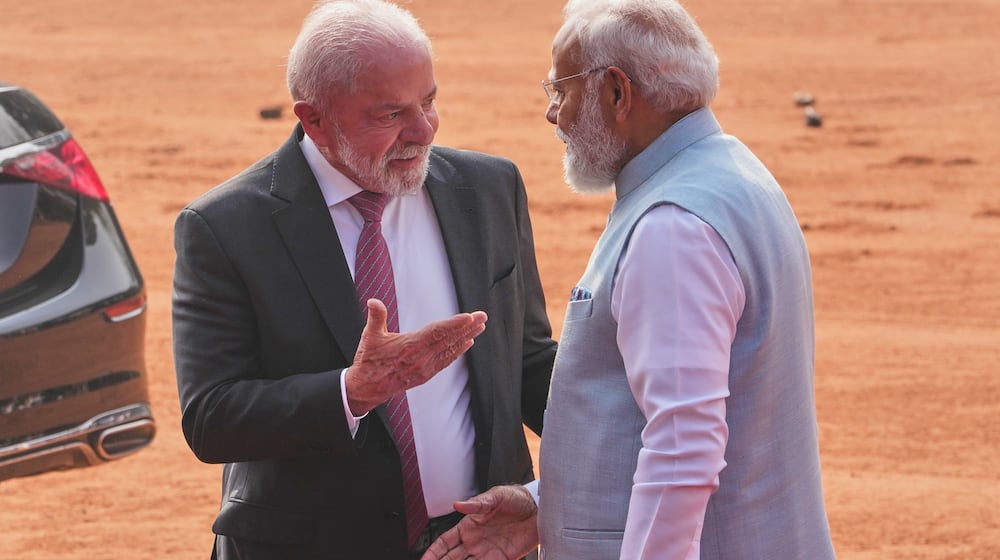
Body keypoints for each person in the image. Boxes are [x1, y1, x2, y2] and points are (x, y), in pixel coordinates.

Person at [423, 0, 837, 559]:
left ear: (617, 93)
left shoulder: (673, 227)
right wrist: (554, 506)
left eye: (560, 92)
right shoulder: (731, 175)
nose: (554, 115)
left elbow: (682, 448)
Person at [171, 1, 557, 558]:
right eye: (390, 114)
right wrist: (352, 393)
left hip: (481, 544)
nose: (423, 130)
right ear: (314, 119)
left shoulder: (489, 189)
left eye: (429, 101)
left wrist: (594, 464)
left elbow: (526, 359)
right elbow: (212, 418)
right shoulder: (225, 227)